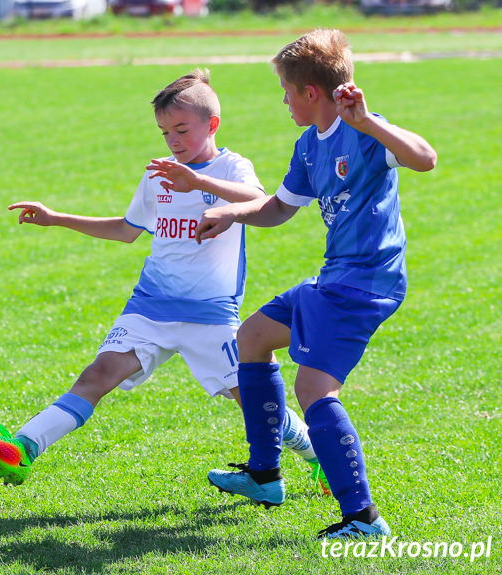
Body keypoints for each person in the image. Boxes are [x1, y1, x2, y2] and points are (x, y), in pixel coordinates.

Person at [0, 69, 330, 495]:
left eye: (182, 129)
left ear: (212, 124)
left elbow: (261, 202)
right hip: (150, 306)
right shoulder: (159, 175)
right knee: (96, 375)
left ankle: (319, 458)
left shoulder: (233, 166)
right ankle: (23, 447)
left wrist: (198, 181)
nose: (173, 141)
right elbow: (126, 229)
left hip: (210, 316)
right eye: (164, 133)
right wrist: (55, 218)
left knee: (255, 403)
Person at [170, 30, 436, 539]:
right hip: (334, 278)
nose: (284, 100)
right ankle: (265, 474)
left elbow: (425, 158)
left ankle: (363, 518)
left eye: (288, 92)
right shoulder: (308, 146)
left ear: (310, 93)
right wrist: (229, 210)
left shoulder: (364, 131)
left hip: (365, 282)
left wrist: (370, 124)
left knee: (314, 387)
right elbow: (277, 208)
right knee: (252, 338)